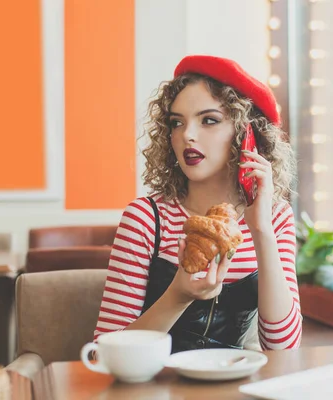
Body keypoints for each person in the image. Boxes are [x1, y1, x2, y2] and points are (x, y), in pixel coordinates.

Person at [94, 55, 302, 352]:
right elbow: (102, 353)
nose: (187, 136)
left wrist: (262, 230)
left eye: (209, 120)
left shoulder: (276, 218)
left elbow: (283, 348)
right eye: (177, 123)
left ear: (247, 136)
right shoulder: (146, 219)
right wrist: (178, 294)